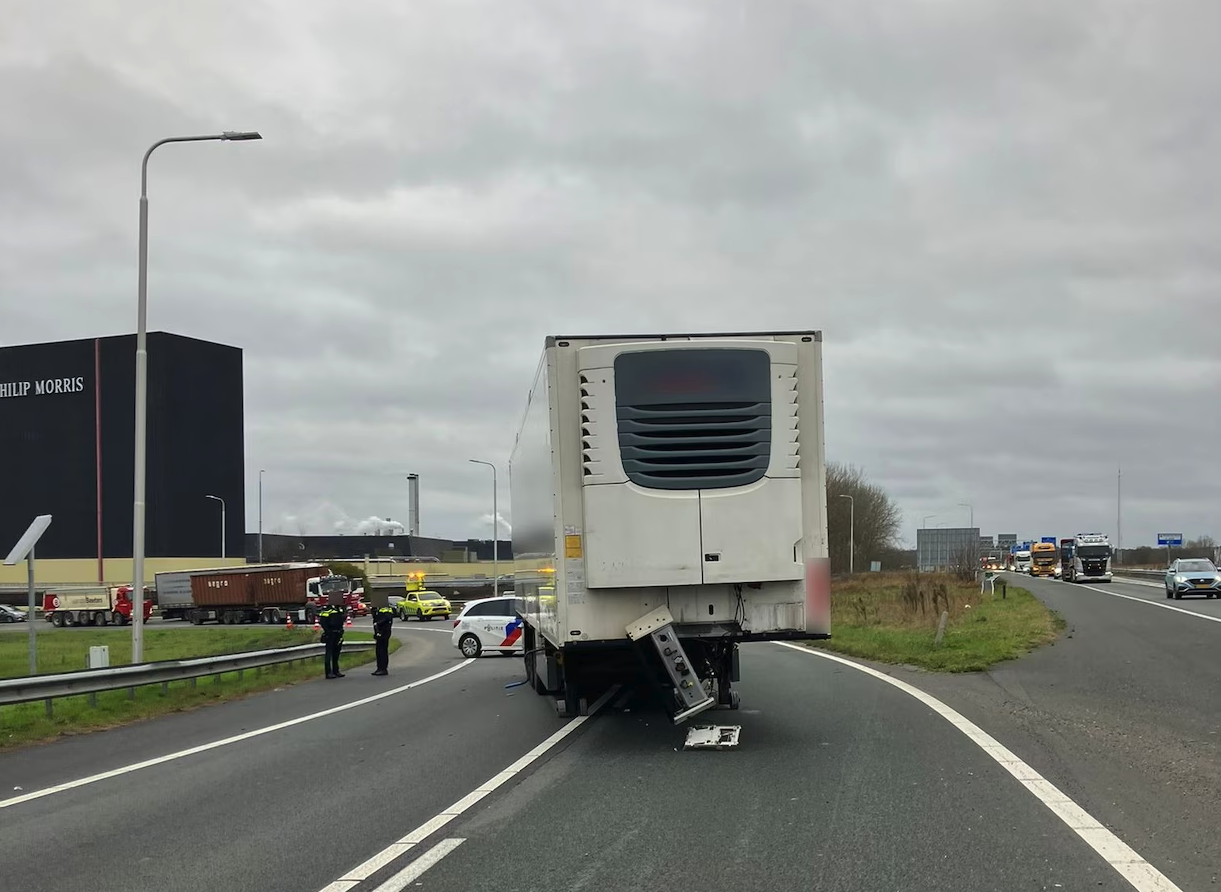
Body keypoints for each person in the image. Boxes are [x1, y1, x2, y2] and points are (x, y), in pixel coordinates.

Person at [318, 596, 346, 679]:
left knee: (336, 653)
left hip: (338, 633)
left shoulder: (339, 609)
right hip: (330, 634)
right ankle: (328, 672)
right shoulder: (327, 609)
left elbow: (341, 620)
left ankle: (336, 671)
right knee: (329, 653)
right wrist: (328, 632)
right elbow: (322, 622)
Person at [371, 604, 395, 676]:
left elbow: (388, 618)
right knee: (378, 650)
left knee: (382, 650)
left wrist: (378, 623)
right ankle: (379, 668)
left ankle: (383, 669)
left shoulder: (387, 609)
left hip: (384, 632)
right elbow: (375, 617)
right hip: (379, 631)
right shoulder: (378, 609)